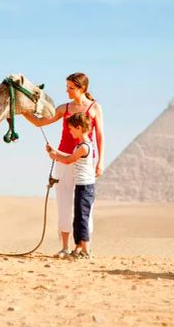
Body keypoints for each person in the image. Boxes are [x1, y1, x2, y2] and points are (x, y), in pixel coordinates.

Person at [23, 72, 105, 257]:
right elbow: (39, 122)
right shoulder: (63, 108)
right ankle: (65, 247)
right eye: (66, 87)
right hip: (63, 157)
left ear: (82, 88)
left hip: (84, 159)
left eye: (71, 88)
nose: (67, 91)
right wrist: (22, 111)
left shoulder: (94, 108)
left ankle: (85, 247)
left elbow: (100, 135)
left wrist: (100, 161)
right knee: (64, 203)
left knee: (84, 207)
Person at [45, 112, 98, 258]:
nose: (69, 131)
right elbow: (68, 157)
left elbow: (69, 160)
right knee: (79, 217)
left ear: (79, 128)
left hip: (85, 187)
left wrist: (55, 156)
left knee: (82, 218)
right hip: (82, 186)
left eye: (71, 128)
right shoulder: (82, 145)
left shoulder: (83, 147)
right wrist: (55, 152)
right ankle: (81, 248)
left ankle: (82, 249)